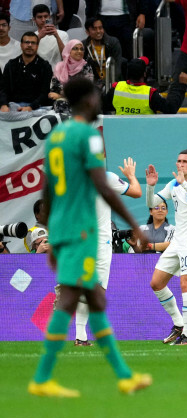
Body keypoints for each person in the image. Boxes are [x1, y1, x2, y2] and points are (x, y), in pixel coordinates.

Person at [29, 77, 151, 397]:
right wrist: (134, 224)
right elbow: (100, 184)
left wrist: (53, 234)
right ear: (88, 100)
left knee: (95, 298)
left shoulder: (56, 136)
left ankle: (124, 375)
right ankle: (42, 378)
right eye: (97, 96)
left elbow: (48, 190)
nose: (100, 101)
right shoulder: (88, 136)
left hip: (65, 227)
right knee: (71, 298)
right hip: (83, 229)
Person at [67, 158, 142, 347]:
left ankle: (80, 336)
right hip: (99, 242)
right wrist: (131, 176)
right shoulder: (107, 177)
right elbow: (136, 192)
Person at [145, 149, 187, 346]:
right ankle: (179, 324)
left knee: (186, 285)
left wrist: (184, 184)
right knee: (156, 283)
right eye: (178, 161)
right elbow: (152, 203)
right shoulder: (172, 184)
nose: (180, 164)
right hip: (177, 243)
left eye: (185, 161)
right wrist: (150, 187)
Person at [103, 57, 187, 114]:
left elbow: (103, 107)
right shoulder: (150, 94)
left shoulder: (116, 88)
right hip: (145, 136)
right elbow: (171, 109)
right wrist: (181, 86)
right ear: (144, 74)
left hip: (121, 134)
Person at [0, 32, 53, 112]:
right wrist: (3, 104)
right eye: (27, 42)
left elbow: (45, 93)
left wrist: (30, 107)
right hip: (12, 106)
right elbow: (3, 88)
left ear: (37, 46)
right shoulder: (11, 64)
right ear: (21, 45)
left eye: (33, 43)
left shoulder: (45, 66)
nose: (29, 45)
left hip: (36, 107)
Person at [48, 40, 100, 113]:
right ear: (68, 50)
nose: (79, 51)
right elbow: (53, 90)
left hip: (81, 101)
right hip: (63, 102)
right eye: (75, 48)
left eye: (81, 49)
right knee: (60, 104)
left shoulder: (86, 67)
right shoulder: (60, 67)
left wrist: (61, 96)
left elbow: (86, 90)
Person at [83, 17, 123, 81]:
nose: (98, 31)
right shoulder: (83, 45)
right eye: (94, 29)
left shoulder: (113, 43)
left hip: (111, 81)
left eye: (100, 28)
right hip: (92, 83)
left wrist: (105, 83)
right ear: (87, 32)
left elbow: (117, 67)